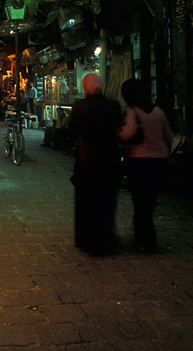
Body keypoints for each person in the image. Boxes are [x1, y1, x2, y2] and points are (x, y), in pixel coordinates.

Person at [67, 73, 123, 255]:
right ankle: (104, 239)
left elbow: (72, 133)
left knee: (86, 201)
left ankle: (87, 239)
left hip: (87, 161)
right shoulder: (113, 106)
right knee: (105, 200)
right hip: (109, 160)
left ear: (85, 88)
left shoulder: (79, 106)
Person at [117, 78, 173, 252]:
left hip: (138, 160)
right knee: (149, 199)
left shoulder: (131, 111)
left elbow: (128, 134)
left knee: (140, 200)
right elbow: (169, 137)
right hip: (159, 160)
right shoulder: (157, 111)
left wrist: (116, 133)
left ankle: (144, 239)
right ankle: (147, 236)